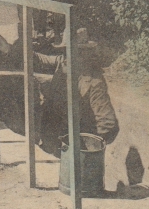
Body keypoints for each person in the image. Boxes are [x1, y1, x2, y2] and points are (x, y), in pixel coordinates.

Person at [32, 28, 119, 156]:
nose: (65, 58)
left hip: (73, 148)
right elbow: (39, 59)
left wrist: (87, 145)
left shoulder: (93, 83)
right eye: (64, 52)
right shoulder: (63, 63)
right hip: (51, 138)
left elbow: (107, 124)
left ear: (83, 54)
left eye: (71, 52)